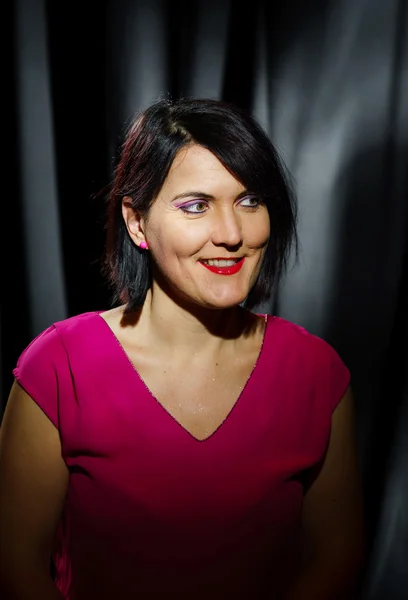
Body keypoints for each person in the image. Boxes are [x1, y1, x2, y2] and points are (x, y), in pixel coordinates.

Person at [0, 98, 365, 600]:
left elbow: (338, 557)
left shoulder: (316, 374)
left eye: (250, 201)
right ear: (136, 222)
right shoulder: (58, 368)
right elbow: (16, 565)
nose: (232, 234)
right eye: (196, 206)